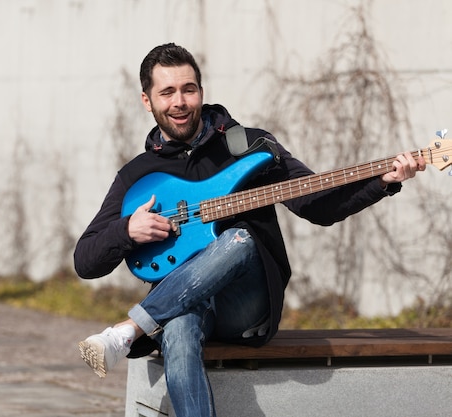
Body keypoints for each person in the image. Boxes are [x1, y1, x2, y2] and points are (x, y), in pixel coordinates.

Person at [75, 43, 425, 417]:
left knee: (240, 239)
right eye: (167, 92)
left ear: (201, 92)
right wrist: (128, 229)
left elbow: (316, 205)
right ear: (147, 101)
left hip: (246, 304)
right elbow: (86, 260)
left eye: (189, 89)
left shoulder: (250, 146)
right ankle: (143, 327)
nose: (180, 101)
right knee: (177, 328)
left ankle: (128, 330)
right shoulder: (137, 177)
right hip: (183, 304)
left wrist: (381, 182)